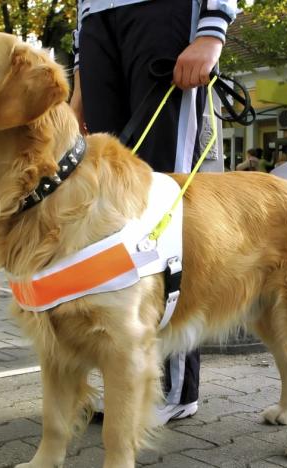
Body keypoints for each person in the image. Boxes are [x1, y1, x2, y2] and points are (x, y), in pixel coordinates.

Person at [70, 0, 240, 425]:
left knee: (163, 202)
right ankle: (124, 378)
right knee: (110, 210)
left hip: (167, 15)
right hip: (96, 21)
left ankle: (175, 387)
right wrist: (80, 75)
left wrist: (212, 29)